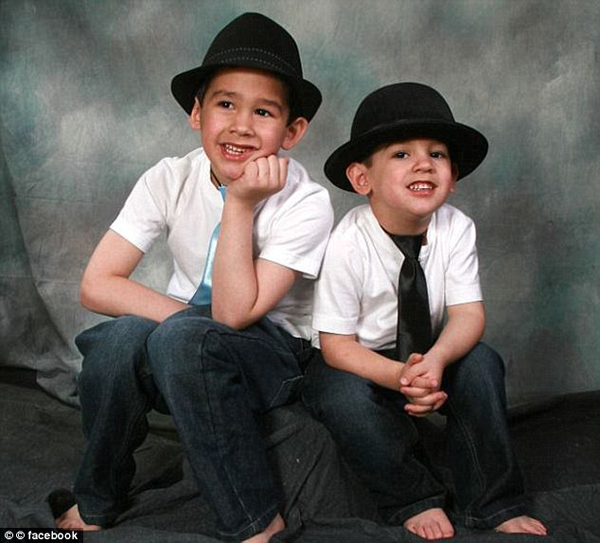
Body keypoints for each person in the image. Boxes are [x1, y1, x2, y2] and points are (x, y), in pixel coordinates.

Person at [55, 12, 333, 543]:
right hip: (185, 339)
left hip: (274, 353)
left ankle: (256, 521)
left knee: (181, 338)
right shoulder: (169, 177)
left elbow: (232, 315)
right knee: (119, 341)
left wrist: (241, 204)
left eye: (264, 111)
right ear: (197, 113)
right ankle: (97, 497)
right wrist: (182, 321)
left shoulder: (307, 202)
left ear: (292, 131)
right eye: (225, 104)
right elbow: (98, 284)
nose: (241, 125)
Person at [301, 82, 547, 540]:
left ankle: (492, 502)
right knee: (340, 396)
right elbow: (336, 346)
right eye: (401, 154)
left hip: (427, 354)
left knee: (481, 363)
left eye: (437, 154)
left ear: (453, 177)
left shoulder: (457, 228)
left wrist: (434, 362)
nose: (423, 164)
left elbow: (468, 315)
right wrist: (399, 377)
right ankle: (412, 497)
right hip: (356, 359)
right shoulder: (347, 243)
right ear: (362, 179)